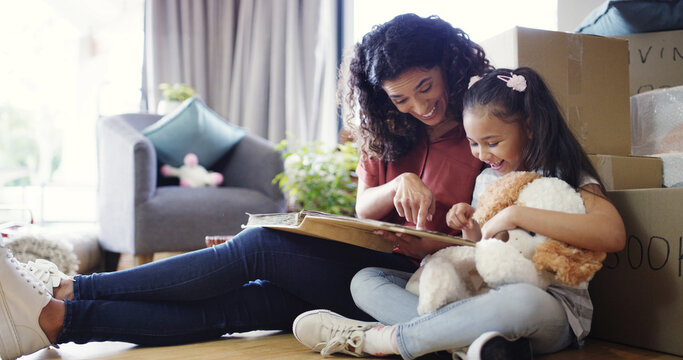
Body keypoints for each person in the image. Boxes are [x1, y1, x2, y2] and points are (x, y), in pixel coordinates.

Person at [0, 13, 491, 360]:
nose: (418, 106)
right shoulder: (387, 130)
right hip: (366, 262)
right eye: (400, 98)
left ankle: (67, 287)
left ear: (445, 64)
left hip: (408, 282)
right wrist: (399, 183)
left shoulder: (480, 129)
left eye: (425, 87)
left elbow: (487, 222)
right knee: (245, 305)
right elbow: (366, 208)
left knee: (257, 247)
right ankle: (54, 322)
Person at [292, 67, 627, 360]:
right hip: (483, 297)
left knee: (522, 299)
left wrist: (516, 215)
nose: (483, 154)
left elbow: (612, 234)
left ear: (529, 127)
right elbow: (484, 251)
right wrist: (469, 229)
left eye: (492, 142)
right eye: (473, 143)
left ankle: (380, 340)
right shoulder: (486, 179)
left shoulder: (564, 171)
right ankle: (475, 347)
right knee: (365, 281)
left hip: (550, 310)